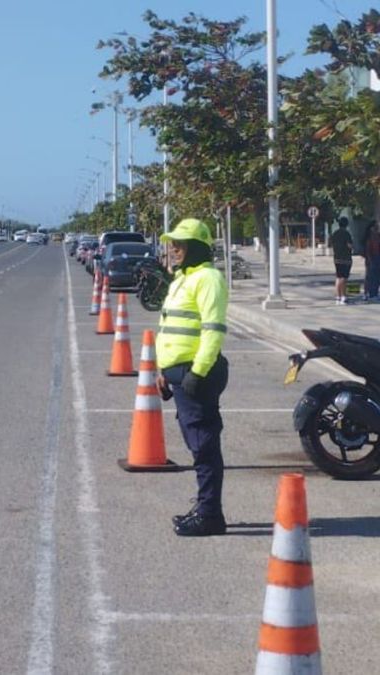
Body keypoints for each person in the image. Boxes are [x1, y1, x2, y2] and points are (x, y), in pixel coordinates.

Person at [155, 218, 230, 537]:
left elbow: (213, 331)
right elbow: (170, 328)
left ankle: (210, 514)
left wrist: (197, 373)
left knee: (203, 445)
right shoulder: (183, 279)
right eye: (173, 244)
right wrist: (164, 371)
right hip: (179, 373)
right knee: (196, 441)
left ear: (197, 247)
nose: (173, 249)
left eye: (180, 244)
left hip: (196, 372)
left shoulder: (208, 279)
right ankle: (205, 507)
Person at [330, 217, 354, 305]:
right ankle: (343, 297)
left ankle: (338, 297)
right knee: (344, 278)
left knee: (338, 277)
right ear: (346, 224)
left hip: (337, 258)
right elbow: (349, 245)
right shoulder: (346, 234)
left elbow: (331, 243)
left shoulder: (335, 233)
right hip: (345, 258)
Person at [363, 220, 380, 302]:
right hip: (373, 258)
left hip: (376, 257)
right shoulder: (371, 237)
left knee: (374, 277)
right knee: (372, 277)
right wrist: (370, 260)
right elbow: (368, 250)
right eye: (376, 226)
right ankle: (371, 294)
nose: (377, 227)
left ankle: (373, 293)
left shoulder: (376, 236)